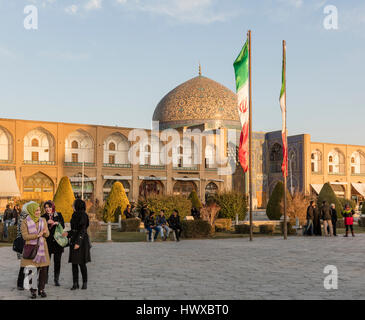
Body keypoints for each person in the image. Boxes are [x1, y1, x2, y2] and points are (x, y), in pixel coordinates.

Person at [20, 201, 50, 299]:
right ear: (31, 211)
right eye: (36, 210)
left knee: (44, 271)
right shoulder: (24, 222)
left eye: (38, 210)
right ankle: (33, 291)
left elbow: (47, 234)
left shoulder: (43, 220)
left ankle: (41, 289)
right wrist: (37, 235)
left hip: (42, 249)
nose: (38, 212)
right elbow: (25, 236)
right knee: (31, 271)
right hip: (31, 249)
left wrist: (44, 233)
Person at [62, 199, 91, 290]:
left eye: (74, 205)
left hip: (81, 241)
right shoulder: (74, 215)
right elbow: (74, 229)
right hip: (74, 239)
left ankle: (85, 282)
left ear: (78, 205)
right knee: (74, 263)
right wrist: (68, 233)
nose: (72, 206)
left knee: (82, 263)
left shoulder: (84, 215)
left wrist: (78, 242)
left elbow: (82, 230)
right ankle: (75, 283)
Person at [42, 200, 65, 286]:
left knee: (57, 261)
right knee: (46, 261)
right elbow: (41, 228)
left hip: (58, 242)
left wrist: (57, 223)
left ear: (53, 207)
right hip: (47, 242)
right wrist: (46, 224)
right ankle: (45, 278)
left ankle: (56, 279)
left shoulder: (58, 214)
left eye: (49, 207)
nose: (48, 209)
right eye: (46, 207)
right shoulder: (43, 217)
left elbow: (63, 225)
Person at [16, 203, 28, 291]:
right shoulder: (25, 218)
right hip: (24, 244)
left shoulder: (22, 216)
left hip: (22, 243)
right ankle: (21, 283)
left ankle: (22, 283)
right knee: (25, 264)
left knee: (25, 264)